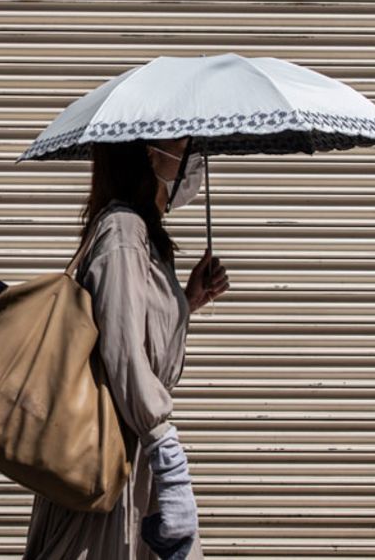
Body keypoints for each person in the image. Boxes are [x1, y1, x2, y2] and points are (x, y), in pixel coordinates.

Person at [23, 137, 229, 560]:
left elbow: (134, 329)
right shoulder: (123, 231)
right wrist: (164, 445)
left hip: (129, 454)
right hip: (108, 455)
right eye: (183, 142)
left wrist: (186, 302)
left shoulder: (141, 233)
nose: (191, 153)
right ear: (150, 151)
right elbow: (123, 351)